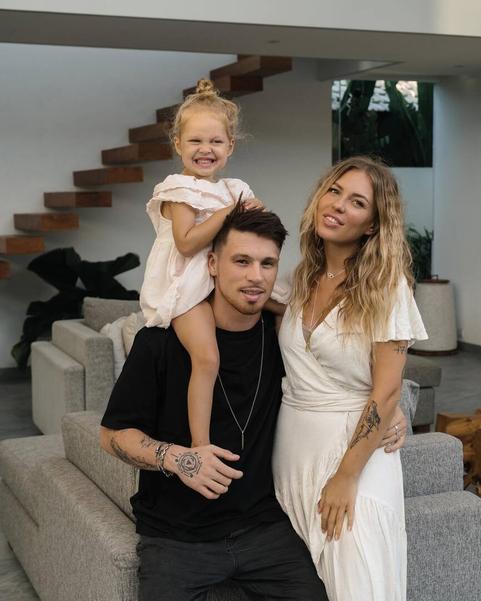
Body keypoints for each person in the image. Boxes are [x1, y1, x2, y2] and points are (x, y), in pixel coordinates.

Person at [272, 156, 427, 601]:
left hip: (353, 458)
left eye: (357, 202)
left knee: (360, 584)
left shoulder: (387, 286)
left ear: (373, 226)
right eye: (335, 191)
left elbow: (387, 390)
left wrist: (346, 476)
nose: (338, 204)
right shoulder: (302, 278)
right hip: (292, 456)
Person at [139, 78, 285, 449]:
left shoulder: (234, 188)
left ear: (230, 146)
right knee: (207, 358)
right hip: (186, 287)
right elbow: (187, 243)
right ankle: (201, 444)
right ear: (178, 144)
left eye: (216, 141)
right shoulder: (178, 190)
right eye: (195, 141)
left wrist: (251, 210)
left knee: (288, 306)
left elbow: (258, 229)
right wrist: (227, 212)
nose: (206, 149)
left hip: (221, 280)